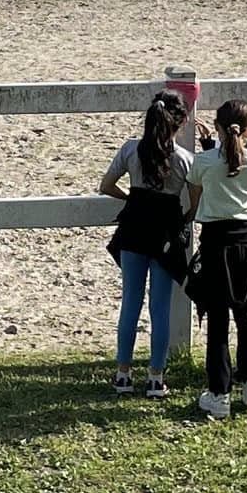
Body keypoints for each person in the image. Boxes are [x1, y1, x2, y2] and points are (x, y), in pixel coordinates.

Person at [182, 98, 247, 421]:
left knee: (218, 318)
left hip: (217, 242)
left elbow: (195, 194)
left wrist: (211, 148)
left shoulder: (204, 161)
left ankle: (219, 392)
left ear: (218, 128)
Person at [100, 90, 193, 397]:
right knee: (160, 307)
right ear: (181, 122)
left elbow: (107, 185)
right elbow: (195, 200)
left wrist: (132, 199)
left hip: (134, 228)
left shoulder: (131, 150)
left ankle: (123, 374)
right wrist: (186, 217)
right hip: (164, 233)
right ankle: (155, 376)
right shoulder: (183, 160)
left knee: (130, 302)